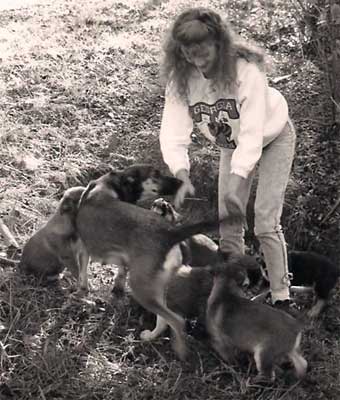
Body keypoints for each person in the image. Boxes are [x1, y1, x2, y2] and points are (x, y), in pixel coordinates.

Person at [158, 7, 297, 312]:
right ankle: (234, 291)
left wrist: (238, 179)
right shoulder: (181, 79)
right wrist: (181, 173)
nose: (196, 56)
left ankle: (281, 295)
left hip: (272, 136)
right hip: (232, 145)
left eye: (203, 48)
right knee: (229, 220)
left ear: (219, 42)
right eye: (188, 50)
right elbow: (173, 131)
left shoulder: (245, 71)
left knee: (264, 219)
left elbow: (251, 132)